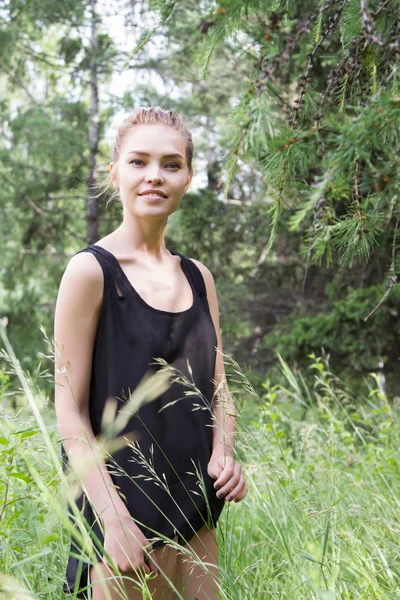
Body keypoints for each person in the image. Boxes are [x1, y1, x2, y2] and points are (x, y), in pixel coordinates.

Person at [54, 106, 248, 600]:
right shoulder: (90, 272)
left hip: (197, 517)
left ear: (187, 178)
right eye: (139, 162)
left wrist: (225, 452)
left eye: (171, 164)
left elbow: (220, 388)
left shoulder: (198, 278)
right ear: (115, 172)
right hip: (122, 524)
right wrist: (113, 518)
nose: (154, 176)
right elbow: (69, 414)